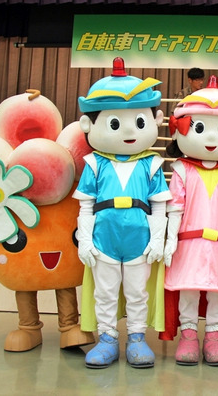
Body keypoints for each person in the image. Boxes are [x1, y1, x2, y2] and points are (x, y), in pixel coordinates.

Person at [73, 57, 172, 369]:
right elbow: (85, 204)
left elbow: (159, 204)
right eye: (115, 123)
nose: (129, 130)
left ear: (154, 119)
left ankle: (137, 338)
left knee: (136, 291)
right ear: (90, 124)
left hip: (138, 238)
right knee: (104, 292)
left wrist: (158, 239)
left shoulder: (152, 164)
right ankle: (106, 338)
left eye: (139, 122)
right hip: (104, 238)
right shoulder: (94, 164)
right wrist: (85, 241)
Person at [161, 77, 218, 367]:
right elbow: (174, 209)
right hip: (188, 243)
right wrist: (170, 241)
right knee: (188, 288)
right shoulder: (181, 170)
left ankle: (214, 336)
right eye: (200, 128)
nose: (212, 139)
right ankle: (188, 334)